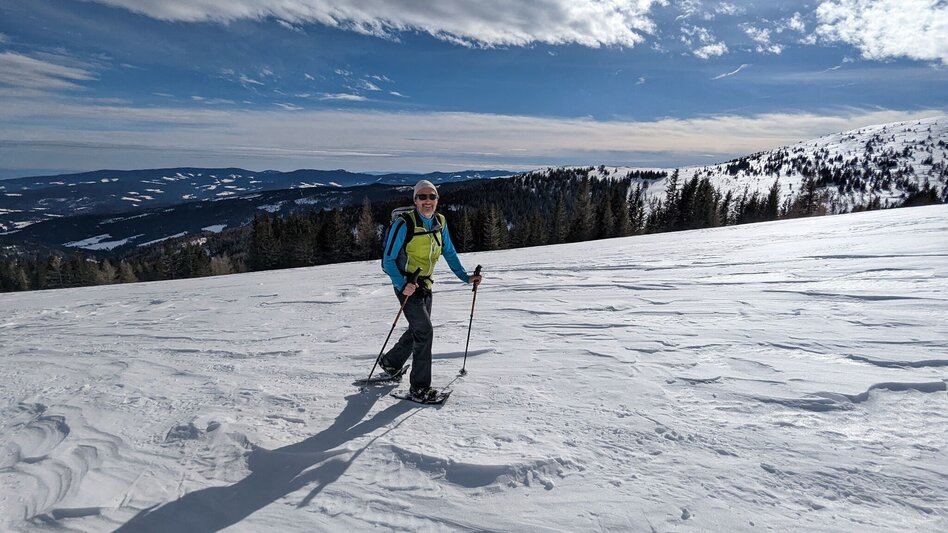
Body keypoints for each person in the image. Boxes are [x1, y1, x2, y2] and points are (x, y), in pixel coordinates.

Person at [380, 179, 482, 401]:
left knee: (418, 329)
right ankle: (419, 388)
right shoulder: (404, 224)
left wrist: (465, 276)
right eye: (422, 197)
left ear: (437, 199)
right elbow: (387, 261)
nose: (427, 201)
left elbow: (450, 252)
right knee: (425, 330)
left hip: (425, 284)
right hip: (407, 284)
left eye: (432, 196)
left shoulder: (440, 222)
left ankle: (391, 363)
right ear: (415, 200)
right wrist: (401, 284)